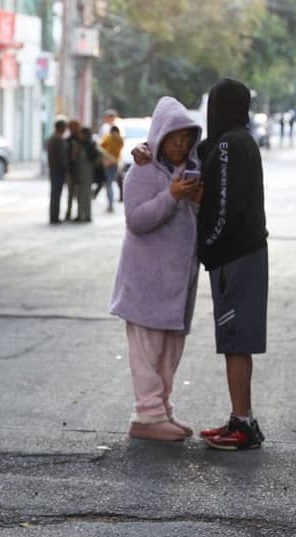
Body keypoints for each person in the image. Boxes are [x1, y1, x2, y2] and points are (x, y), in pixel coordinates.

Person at [110, 97, 202, 442]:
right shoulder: (142, 171)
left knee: (169, 351)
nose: (180, 144)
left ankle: (161, 409)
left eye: (186, 137)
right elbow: (136, 221)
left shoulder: (191, 172)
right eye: (173, 136)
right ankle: (147, 415)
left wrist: (196, 200)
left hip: (178, 285)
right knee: (147, 352)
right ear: (160, 136)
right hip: (146, 283)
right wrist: (172, 197)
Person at [194, 79, 269, 450]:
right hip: (246, 253)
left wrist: (207, 245)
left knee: (236, 340)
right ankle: (243, 419)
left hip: (234, 257)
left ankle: (243, 424)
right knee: (240, 341)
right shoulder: (239, 140)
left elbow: (225, 206)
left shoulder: (228, 145)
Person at [70, 126, 97, 222]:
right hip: (79, 172)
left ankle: (87, 215)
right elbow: (73, 158)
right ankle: (80, 214)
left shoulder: (90, 145)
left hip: (87, 172)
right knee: (79, 194)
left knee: (86, 194)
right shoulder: (78, 145)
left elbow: (94, 159)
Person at [46, 119, 68, 224]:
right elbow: (62, 157)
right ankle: (54, 217)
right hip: (57, 170)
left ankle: (54, 216)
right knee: (56, 194)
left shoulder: (52, 138)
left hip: (54, 169)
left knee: (55, 194)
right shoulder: (58, 139)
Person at [99, 124, 124, 212]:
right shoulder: (120, 139)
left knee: (109, 184)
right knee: (110, 183)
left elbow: (100, 147)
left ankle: (110, 204)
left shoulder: (108, 137)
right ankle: (110, 204)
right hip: (115, 162)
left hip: (108, 163)